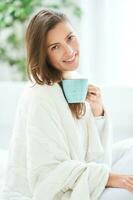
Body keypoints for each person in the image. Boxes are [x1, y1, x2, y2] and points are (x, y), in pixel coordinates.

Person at [1, 9, 133, 200]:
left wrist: (97, 113)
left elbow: (91, 155)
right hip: (46, 193)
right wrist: (109, 178)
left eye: (70, 38)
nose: (69, 51)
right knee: (126, 193)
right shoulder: (41, 96)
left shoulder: (72, 80)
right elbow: (48, 173)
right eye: (55, 47)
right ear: (43, 55)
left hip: (81, 179)